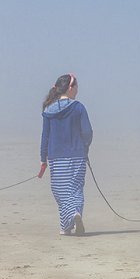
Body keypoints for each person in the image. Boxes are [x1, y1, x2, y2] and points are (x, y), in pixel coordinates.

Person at [40, 73, 93, 235]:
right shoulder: (78, 107)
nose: (77, 90)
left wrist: (43, 159)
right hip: (77, 155)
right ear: (71, 88)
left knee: (60, 190)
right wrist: (85, 147)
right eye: (76, 86)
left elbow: (45, 136)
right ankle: (74, 216)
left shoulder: (49, 109)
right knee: (75, 189)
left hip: (56, 156)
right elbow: (88, 132)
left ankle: (68, 223)